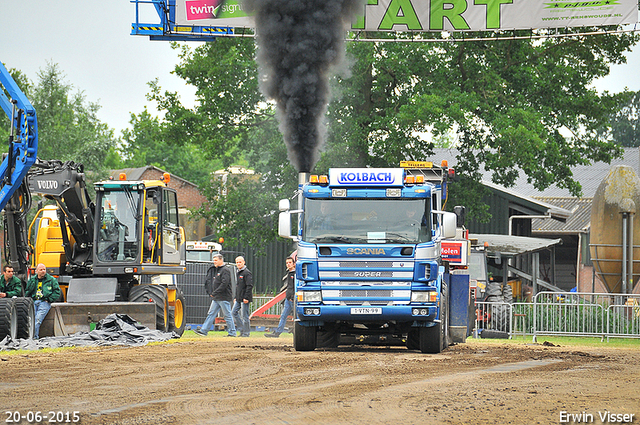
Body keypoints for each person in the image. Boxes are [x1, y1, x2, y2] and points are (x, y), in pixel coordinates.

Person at [195, 254, 237, 337]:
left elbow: (224, 283)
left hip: (223, 297)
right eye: (214, 260)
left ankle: (232, 332)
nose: (214, 262)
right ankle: (204, 331)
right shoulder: (216, 270)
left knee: (227, 315)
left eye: (216, 260)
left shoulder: (225, 270)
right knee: (211, 314)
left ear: (221, 260)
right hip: (217, 297)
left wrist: (215, 292)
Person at [25, 263, 61, 339]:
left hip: (44, 302)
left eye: (44, 269)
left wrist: (49, 299)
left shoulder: (51, 280)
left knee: (37, 320)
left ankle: (34, 338)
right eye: (41, 270)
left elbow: (57, 292)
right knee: (31, 321)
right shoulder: (32, 280)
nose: (43, 271)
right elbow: (27, 291)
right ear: (36, 271)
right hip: (33, 302)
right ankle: (32, 337)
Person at [265, 256, 296, 338]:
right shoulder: (289, 274)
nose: (288, 264)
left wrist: (293, 297)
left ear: (294, 264)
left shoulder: (296, 274)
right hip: (288, 299)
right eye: (287, 263)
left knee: (296, 316)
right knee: (283, 316)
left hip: (293, 299)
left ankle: (296, 331)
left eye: (290, 263)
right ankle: (278, 332)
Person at [231, 256, 253, 337]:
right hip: (238, 298)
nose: (238, 264)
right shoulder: (238, 272)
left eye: (240, 262)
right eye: (237, 262)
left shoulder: (247, 273)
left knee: (245, 316)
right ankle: (242, 329)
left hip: (245, 298)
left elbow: (249, 286)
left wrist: (246, 297)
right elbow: (238, 286)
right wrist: (236, 297)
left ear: (244, 262)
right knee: (234, 312)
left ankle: (246, 333)